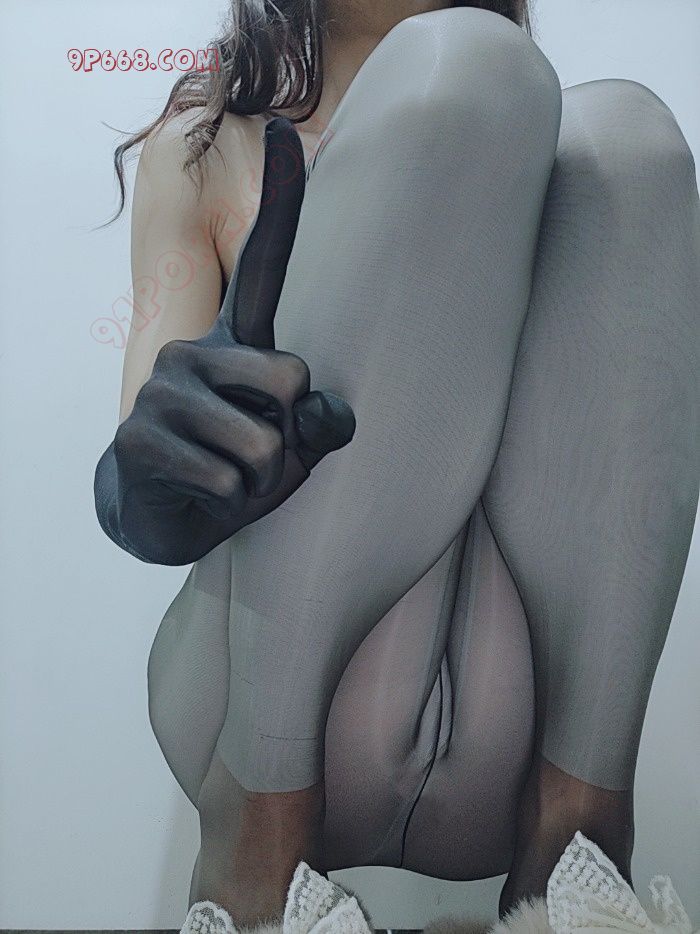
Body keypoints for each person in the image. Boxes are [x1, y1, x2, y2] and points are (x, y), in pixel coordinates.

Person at [94, 0, 700, 927]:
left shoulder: (581, 174)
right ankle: (256, 826)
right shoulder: (209, 144)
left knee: (627, 142)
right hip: (256, 694)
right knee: (470, 77)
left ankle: (578, 836)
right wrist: (143, 480)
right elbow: (148, 415)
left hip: (513, 715)